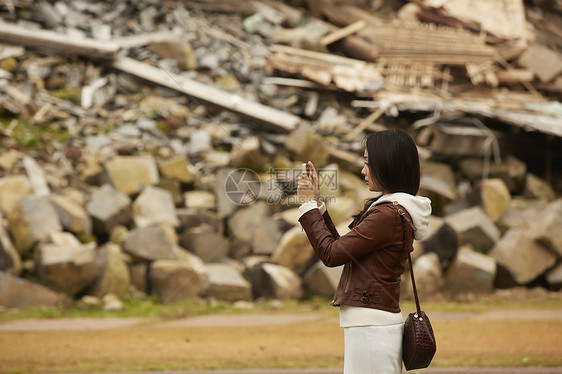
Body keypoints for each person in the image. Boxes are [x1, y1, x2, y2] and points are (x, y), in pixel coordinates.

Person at [297, 128, 432, 374]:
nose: (363, 171)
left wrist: (307, 207)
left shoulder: (388, 214)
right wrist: (317, 204)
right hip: (372, 324)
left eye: (368, 163)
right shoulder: (392, 211)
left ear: (387, 166)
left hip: (372, 327)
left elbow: (331, 254)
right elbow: (344, 251)